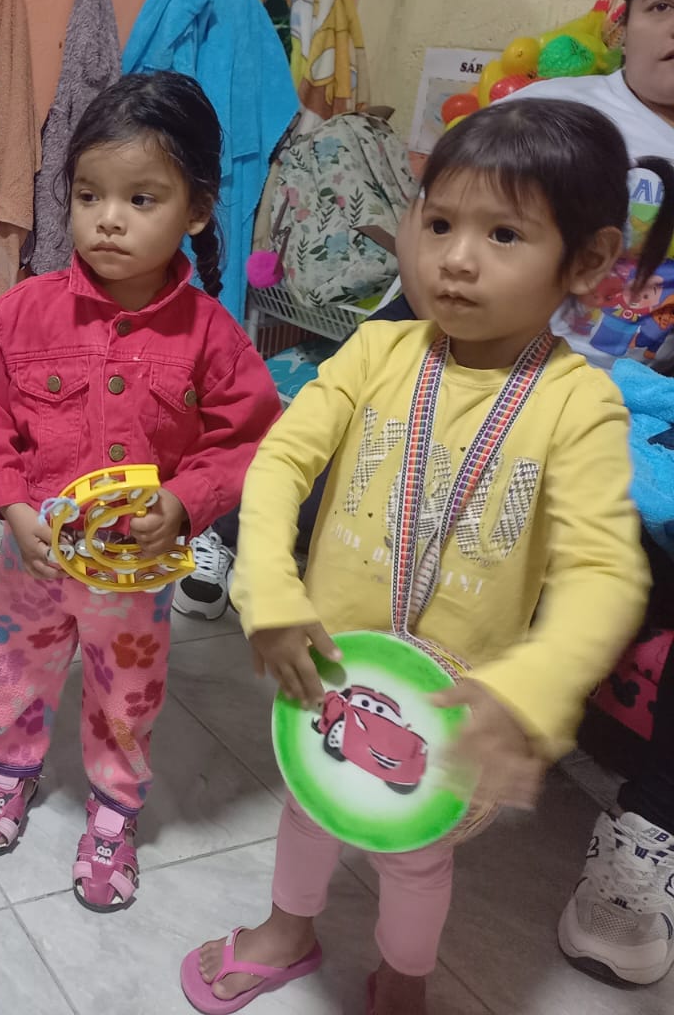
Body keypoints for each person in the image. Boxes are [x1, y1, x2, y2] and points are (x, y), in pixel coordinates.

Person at [182, 99, 661, 1015]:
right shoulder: (375, 350)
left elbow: (604, 574)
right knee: (309, 805)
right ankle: (287, 930)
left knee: (414, 856)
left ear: (587, 261)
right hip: (328, 664)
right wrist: (270, 590)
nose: (457, 258)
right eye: (439, 223)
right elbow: (280, 462)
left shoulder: (580, 406)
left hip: (455, 703)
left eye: (504, 234)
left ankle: (405, 977)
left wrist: (531, 689)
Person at [0, 72, 281, 912]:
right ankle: (12, 768)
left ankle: (113, 810)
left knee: (126, 695)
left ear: (196, 209)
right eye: (89, 195)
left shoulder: (212, 337)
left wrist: (188, 500)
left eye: (141, 198)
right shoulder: (21, 315)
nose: (107, 218)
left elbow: (247, 437)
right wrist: (11, 505)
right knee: (13, 665)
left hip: (134, 575)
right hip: (32, 558)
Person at [519, 0, 674, 987]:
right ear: (623, 17)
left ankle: (641, 841)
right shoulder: (556, 123)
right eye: (667, 7)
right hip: (526, 404)